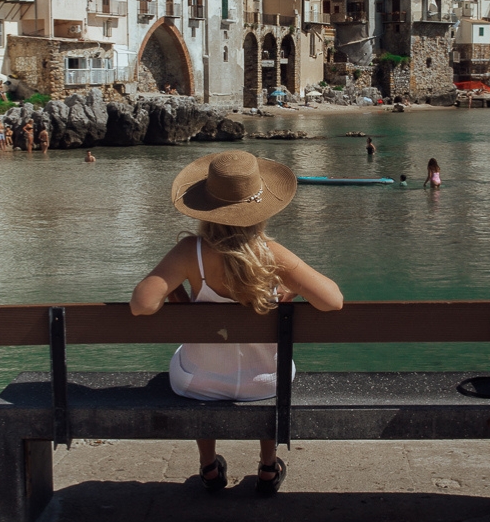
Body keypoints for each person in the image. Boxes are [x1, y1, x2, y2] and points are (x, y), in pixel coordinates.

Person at [130, 151, 342, 495]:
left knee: (193, 359)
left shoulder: (190, 252)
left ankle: (209, 467)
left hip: (199, 383)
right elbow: (332, 300)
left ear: (204, 206)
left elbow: (142, 305)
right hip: (266, 383)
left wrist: (179, 299)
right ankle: (268, 466)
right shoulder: (272, 254)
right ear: (261, 206)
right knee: (268, 361)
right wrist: (286, 296)